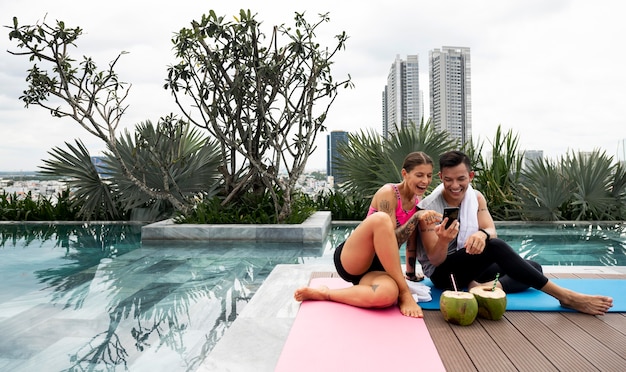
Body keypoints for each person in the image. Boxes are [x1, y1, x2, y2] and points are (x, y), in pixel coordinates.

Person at [416, 150, 613, 315]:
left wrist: (482, 234)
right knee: (495, 247)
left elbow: (490, 230)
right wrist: (443, 240)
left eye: (461, 179)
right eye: (448, 180)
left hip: (472, 266)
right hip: (444, 275)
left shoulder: (476, 198)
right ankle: (566, 296)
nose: (455, 186)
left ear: (471, 176)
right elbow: (434, 260)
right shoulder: (428, 208)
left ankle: (482, 287)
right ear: (441, 178)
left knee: (533, 267)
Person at [294, 151, 440, 318]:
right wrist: (415, 218)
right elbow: (390, 236)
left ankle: (326, 293)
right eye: (419, 175)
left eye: (429, 175)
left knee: (386, 295)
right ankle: (404, 292)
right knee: (382, 220)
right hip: (356, 258)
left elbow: (411, 243)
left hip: (379, 268)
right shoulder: (389, 193)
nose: (425, 181)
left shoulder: (418, 203)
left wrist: (411, 273)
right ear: (405, 174)